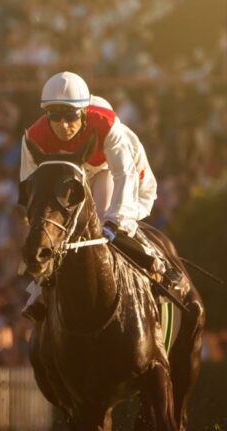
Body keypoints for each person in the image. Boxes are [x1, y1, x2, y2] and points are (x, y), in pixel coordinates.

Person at [19, 71, 181, 321]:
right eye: (55, 115)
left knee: (107, 221)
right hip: (76, 174)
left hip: (117, 171)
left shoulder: (108, 126)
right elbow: (29, 187)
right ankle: (39, 289)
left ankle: (158, 265)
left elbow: (124, 174)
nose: (63, 124)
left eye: (70, 115)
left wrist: (115, 222)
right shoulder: (34, 137)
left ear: (83, 112)